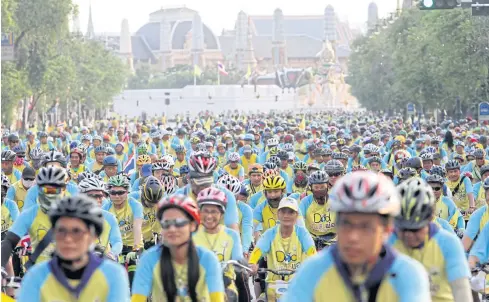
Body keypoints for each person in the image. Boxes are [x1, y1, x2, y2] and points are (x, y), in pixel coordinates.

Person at [283, 171, 431, 302]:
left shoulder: (408, 275)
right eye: (346, 224)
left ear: (387, 228)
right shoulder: (312, 270)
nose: (353, 237)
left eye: (365, 227)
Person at [16, 195, 130, 301]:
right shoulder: (35, 276)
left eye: (76, 231)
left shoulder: (113, 275)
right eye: (61, 231)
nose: (68, 239)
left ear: (93, 236)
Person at [389, 177, 472, 302]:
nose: (409, 235)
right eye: (403, 229)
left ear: (430, 219)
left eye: (415, 229)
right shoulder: (387, 243)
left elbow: (461, 290)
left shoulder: (448, 243)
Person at [131, 194, 225, 302]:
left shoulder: (208, 259)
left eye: (179, 223)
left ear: (193, 225)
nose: (172, 229)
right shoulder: (148, 259)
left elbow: (217, 299)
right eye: (166, 223)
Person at [249, 197, 316, 301]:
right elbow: (258, 249)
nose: (286, 216)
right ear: (278, 214)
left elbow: (311, 250)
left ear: (296, 215)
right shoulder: (270, 234)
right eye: (283, 212)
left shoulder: (302, 233)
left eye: (291, 212)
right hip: (272, 284)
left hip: (297, 283)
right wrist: (253, 262)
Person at [1, 166, 67, 268]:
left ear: (63, 190)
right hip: (37, 271)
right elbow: (10, 241)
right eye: (46, 189)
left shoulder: (74, 214)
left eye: (54, 190)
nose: (50, 193)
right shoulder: (30, 214)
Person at [193, 187, 244, 301]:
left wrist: (241, 263)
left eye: (214, 211)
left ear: (221, 213)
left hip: (225, 282)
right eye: (205, 211)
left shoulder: (232, 235)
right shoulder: (191, 235)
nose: (209, 216)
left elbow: (237, 258)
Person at [78, 177, 122, 258]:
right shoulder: (72, 218)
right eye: (94, 196)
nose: (98, 199)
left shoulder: (109, 218)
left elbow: (117, 241)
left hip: (103, 261)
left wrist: (112, 253)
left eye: (101, 196)